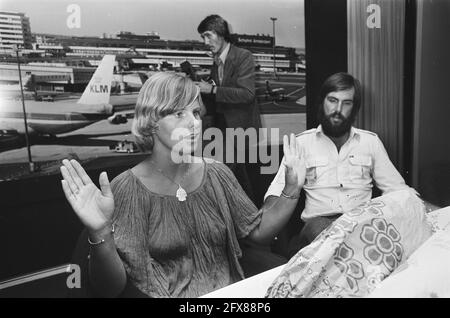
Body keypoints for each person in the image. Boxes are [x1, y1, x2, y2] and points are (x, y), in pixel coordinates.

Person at [60, 72, 305, 298]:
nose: (194, 123)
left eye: (196, 113)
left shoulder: (217, 174)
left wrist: (291, 190)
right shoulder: (128, 188)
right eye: (179, 114)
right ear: (152, 121)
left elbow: (259, 233)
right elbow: (110, 289)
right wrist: (101, 232)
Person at [264, 72, 409, 257]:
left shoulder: (370, 142)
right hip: (317, 230)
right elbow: (273, 196)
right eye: (332, 100)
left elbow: (398, 191)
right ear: (322, 102)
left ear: (354, 108)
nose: (338, 109)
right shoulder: (301, 144)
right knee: (320, 228)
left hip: (361, 227)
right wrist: (283, 198)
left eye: (346, 103)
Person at [196, 14, 261, 202]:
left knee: (230, 178)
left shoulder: (243, 56)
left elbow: (247, 94)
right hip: (222, 127)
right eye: (203, 37)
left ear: (221, 33)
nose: (205, 41)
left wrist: (213, 89)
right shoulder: (217, 60)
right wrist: (205, 88)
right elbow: (220, 90)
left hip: (239, 129)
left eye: (208, 35)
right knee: (237, 178)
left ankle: (246, 217)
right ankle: (250, 217)